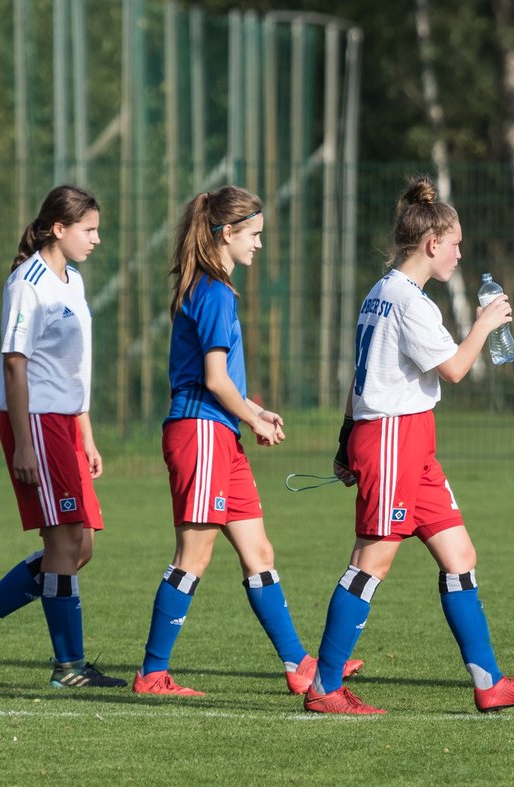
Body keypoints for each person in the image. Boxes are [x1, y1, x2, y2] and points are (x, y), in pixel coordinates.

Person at [303, 175, 514, 715]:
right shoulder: (409, 301)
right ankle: (325, 686)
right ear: (432, 243)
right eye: (457, 244)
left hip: (406, 440)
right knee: (371, 561)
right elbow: (458, 370)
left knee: (460, 555)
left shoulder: (381, 291)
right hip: (394, 437)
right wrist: (486, 323)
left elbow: (359, 379)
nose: (461, 254)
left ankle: (489, 683)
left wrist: (345, 441)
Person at [132, 186, 363, 696]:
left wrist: (254, 411)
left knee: (259, 549)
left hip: (219, 433)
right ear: (227, 233)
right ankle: (151, 673)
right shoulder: (213, 291)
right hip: (200, 433)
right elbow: (213, 379)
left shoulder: (214, 290)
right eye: (254, 235)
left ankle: (299, 663)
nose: (260, 244)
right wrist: (252, 419)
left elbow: (218, 380)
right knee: (192, 556)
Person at [0, 185, 125, 689]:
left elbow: (74, 368)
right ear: (58, 229)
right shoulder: (28, 282)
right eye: (88, 229)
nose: (97, 238)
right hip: (38, 424)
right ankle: (69, 666)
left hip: (65, 426)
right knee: (63, 542)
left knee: (79, 546)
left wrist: (86, 433)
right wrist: (24, 442)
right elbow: (15, 363)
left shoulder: (74, 280)